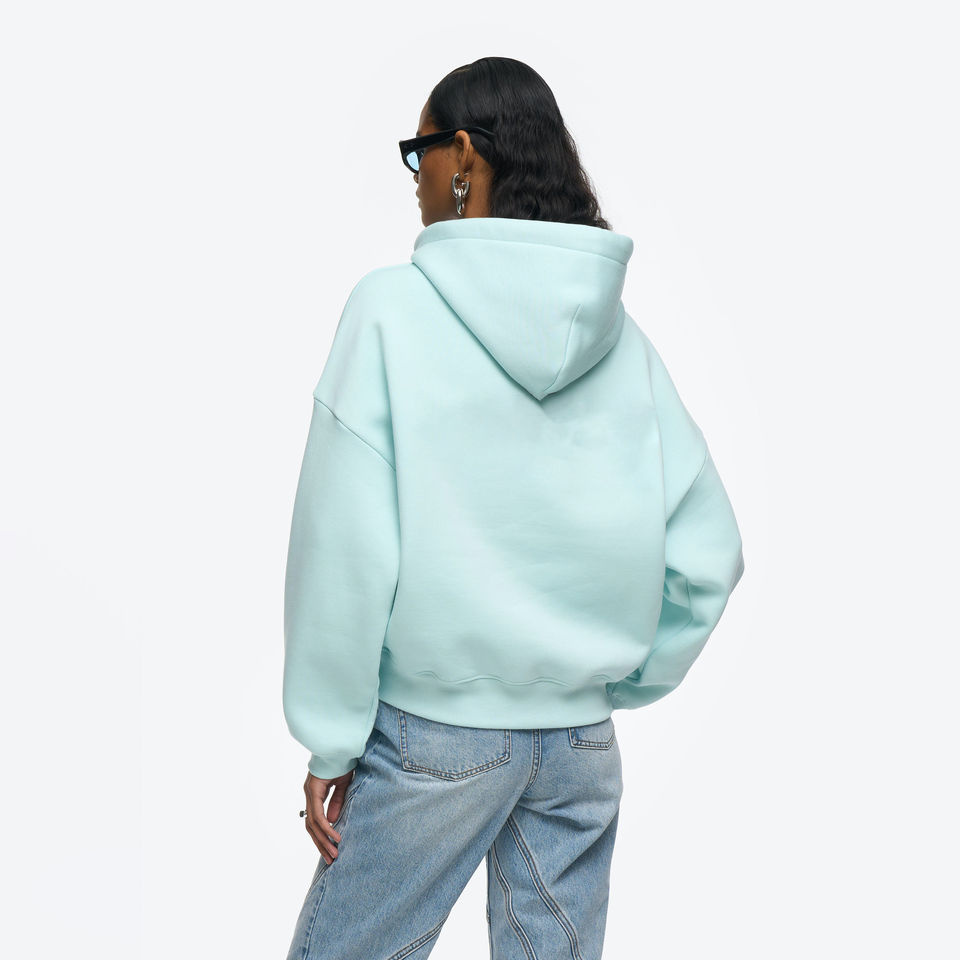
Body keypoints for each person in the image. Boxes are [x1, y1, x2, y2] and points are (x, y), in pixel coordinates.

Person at [282, 56, 745, 960]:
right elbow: (709, 555)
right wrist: (605, 680)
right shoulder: (623, 344)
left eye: (420, 153)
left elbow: (345, 549)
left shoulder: (390, 312)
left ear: (464, 154)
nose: (415, 179)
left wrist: (330, 739)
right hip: (579, 748)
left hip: (434, 736)